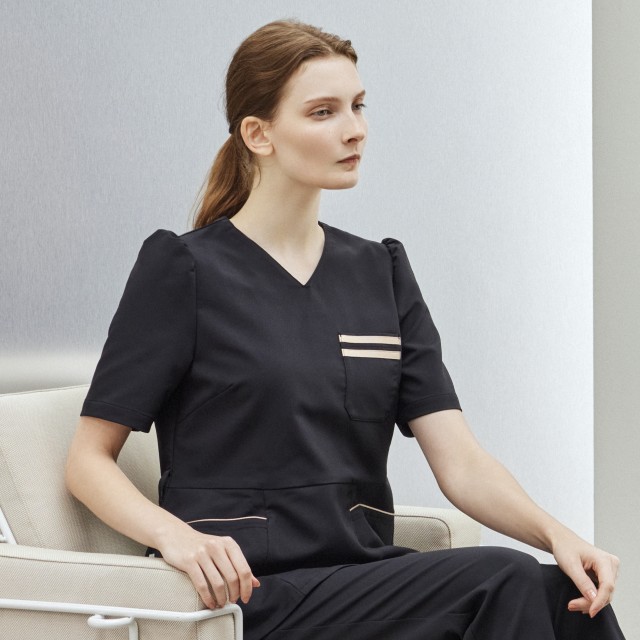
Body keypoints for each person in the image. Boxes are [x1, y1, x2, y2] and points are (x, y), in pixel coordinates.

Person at [65, 18, 625, 640]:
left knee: (568, 595)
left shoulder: (380, 271)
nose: (354, 128)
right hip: (253, 593)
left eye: (358, 106)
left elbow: (461, 463)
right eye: (323, 112)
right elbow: (88, 461)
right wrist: (175, 536)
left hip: (362, 576)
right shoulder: (185, 269)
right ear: (258, 134)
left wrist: (558, 535)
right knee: (505, 578)